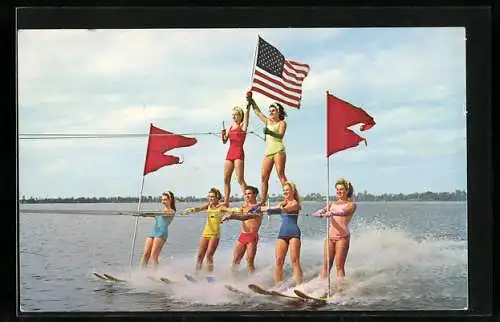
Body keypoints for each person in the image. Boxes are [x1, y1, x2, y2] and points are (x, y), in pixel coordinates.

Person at [252, 181, 304, 290]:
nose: (285, 192)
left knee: (295, 260)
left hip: (294, 233)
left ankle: (300, 287)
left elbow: (284, 209)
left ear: (292, 191)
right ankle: (278, 286)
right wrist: (257, 209)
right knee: (279, 261)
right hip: (282, 234)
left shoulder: (295, 203)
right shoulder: (282, 203)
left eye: (287, 190)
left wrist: (278, 207)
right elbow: (271, 210)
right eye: (284, 190)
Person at [312, 178, 357, 292]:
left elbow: (343, 213)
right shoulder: (331, 203)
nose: (339, 192)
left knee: (339, 266)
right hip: (330, 238)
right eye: (337, 189)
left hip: (342, 237)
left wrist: (331, 212)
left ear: (347, 190)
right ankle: (320, 289)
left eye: (341, 189)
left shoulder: (351, 204)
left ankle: (340, 290)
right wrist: (321, 213)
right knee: (326, 266)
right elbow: (317, 213)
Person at [246, 94, 288, 205]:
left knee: (280, 174)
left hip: (278, 149)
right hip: (268, 151)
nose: (271, 112)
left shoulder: (282, 123)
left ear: (278, 112)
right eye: (270, 111)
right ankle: (263, 201)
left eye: (273, 110)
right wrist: (251, 101)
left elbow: (280, 135)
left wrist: (270, 132)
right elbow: (258, 112)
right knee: (264, 177)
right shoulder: (268, 121)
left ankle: (288, 198)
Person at [221, 185, 263, 275]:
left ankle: (253, 280)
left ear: (255, 195)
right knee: (236, 260)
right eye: (245, 194)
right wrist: (222, 209)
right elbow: (230, 210)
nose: (247, 196)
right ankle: (233, 279)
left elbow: (244, 217)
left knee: (249, 261)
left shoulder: (258, 207)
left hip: (252, 236)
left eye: (249, 194)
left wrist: (232, 216)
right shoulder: (243, 207)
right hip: (242, 236)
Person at [183, 187, 225, 277]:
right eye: (209, 196)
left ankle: (210, 277)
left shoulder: (221, 206)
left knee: (209, 256)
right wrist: (191, 210)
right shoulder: (208, 205)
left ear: (217, 197)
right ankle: (197, 275)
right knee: (200, 256)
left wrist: (232, 212)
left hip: (215, 234)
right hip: (205, 233)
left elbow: (228, 211)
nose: (211, 198)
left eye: (213, 196)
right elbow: (199, 208)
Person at [221, 104, 251, 206]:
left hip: (238, 152)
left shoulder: (243, 125)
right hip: (230, 153)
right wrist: (223, 134)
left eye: (236, 115)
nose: (234, 117)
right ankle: (226, 201)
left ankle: (248, 201)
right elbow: (224, 141)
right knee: (226, 179)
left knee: (240, 179)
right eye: (233, 115)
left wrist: (249, 105)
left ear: (240, 115)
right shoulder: (230, 127)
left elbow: (247, 116)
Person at [140, 191, 176, 270]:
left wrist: (155, 212)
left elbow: (165, 213)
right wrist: (143, 214)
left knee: (153, 256)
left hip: (161, 233)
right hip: (153, 231)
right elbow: (153, 214)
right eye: (162, 200)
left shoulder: (172, 211)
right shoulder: (159, 210)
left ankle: (156, 274)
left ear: (170, 200)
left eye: (166, 199)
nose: (163, 202)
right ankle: (141, 272)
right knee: (145, 254)